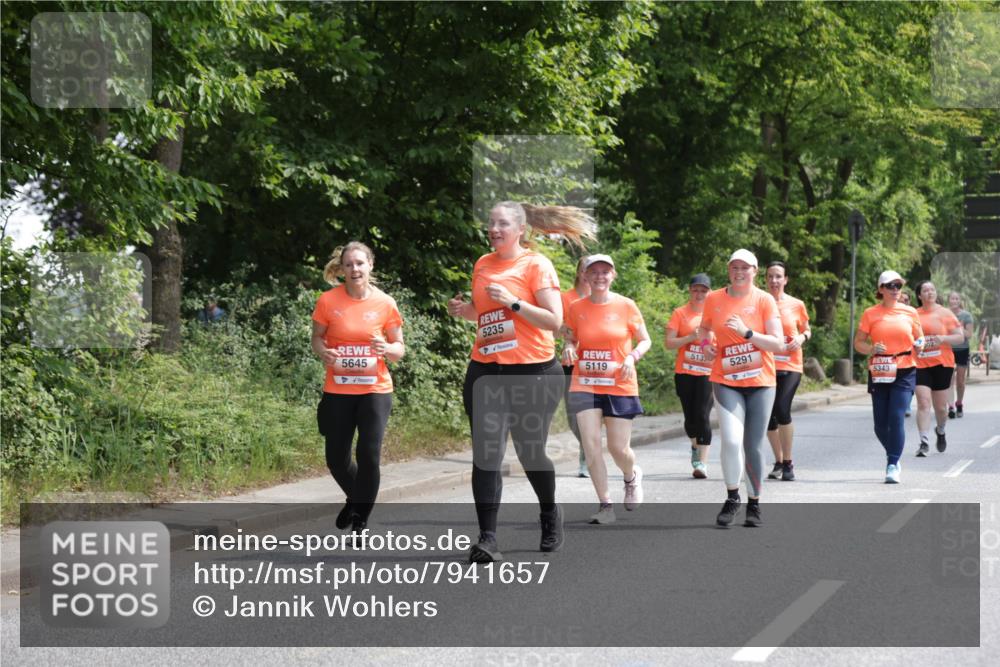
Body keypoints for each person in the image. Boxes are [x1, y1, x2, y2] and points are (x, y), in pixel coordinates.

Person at [448, 201, 595, 563]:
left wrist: (514, 301)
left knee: (531, 453)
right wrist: (465, 311)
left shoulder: (536, 265)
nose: (494, 229)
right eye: (491, 223)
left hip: (533, 373)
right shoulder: (482, 264)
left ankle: (549, 511)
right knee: (486, 454)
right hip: (486, 370)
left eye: (502, 224)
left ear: (519, 230)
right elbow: (484, 314)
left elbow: (553, 321)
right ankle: (487, 538)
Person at [311, 242, 405, 535]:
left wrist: (386, 347)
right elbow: (316, 338)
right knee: (336, 459)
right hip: (338, 390)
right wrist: (323, 352)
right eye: (349, 264)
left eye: (360, 263)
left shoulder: (385, 302)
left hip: (375, 390)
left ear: (370, 265)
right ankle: (355, 498)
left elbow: (399, 349)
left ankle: (361, 520)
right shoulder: (328, 301)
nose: (355, 269)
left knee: (368, 454)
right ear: (341, 269)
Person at [695, 249, 785, 528]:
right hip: (726, 379)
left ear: (755, 271)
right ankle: (733, 496)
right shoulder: (714, 299)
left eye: (745, 268)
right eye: (734, 267)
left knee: (753, 445)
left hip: (760, 383)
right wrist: (706, 346)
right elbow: (704, 329)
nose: (739, 272)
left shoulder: (764, 300)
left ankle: (754, 503)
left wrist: (748, 333)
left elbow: (778, 343)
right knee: (732, 441)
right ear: (728, 270)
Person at [562, 254, 651, 524]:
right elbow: (569, 338)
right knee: (590, 444)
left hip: (619, 383)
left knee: (617, 448)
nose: (599, 276)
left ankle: (631, 476)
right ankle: (605, 505)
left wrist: (631, 357)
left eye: (605, 272)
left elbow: (645, 340)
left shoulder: (626, 305)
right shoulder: (576, 308)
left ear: (613, 275)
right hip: (585, 382)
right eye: (594, 272)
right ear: (585, 276)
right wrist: (568, 348)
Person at [854, 270, 924, 483]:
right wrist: (871, 348)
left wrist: (919, 345)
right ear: (881, 289)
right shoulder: (870, 313)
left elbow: (920, 338)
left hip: (905, 368)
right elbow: (858, 343)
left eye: (898, 285)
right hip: (880, 369)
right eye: (890, 286)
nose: (895, 289)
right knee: (880, 425)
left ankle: (892, 463)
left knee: (896, 416)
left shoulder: (910, 312)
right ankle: (894, 452)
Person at [764, 261, 811, 482]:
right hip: (767, 366)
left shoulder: (796, 304)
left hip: (791, 365)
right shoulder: (760, 302)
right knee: (768, 417)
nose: (774, 280)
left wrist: (801, 338)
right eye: (770, 276)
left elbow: (807, 329)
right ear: (766, 279)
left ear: (785, 279)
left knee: (782, 409)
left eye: (778, 276)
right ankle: (779, 461)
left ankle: (789, 462)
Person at [665, 273, 715, 479]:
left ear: (710, 293)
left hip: (707, 373)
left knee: (703, 414)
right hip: (684, 372)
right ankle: (695, 445)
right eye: (696, 290)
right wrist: (689, 337)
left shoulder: (715, 314)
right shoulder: (680, 313)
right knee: (690, 418)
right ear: (690, 291)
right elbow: (669, 343)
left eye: (703, 290)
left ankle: (702, 463)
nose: (699, 294)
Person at [913, 281, 964, 456]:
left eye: (932, 289)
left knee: (941, 408)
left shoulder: (945, 313)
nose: (929, 292)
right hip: (920, 364)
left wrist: (942, 339)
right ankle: (924, 442)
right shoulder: (914, 314)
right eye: (925, 290)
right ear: (919, 295)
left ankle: (940, 430)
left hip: (942, 364)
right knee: (923, 402)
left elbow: (960, 337)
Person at [560, 256, 593, 478]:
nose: (587, 274)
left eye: (591, 270)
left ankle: (587, 456)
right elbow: (557, 326)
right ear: (579, 273)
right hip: (571, 363)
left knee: (590, 412)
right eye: (584, 270)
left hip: (595, 364)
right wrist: (567, 341)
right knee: (573, 416)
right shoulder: (566, 298)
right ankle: (586, 444)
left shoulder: (601, 298)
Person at [947, 291, 974, 418]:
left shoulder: (966, 316)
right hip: (948, 350)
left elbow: (969, 334)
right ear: (949, 300)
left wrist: (958, 327)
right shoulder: (944, 314)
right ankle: (951, 406)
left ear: (960, 301)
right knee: (949, 379)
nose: (954, 301)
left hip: (962, 350)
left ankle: (959, 403)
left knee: (960, 381)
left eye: (957, 298)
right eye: (952, 298)